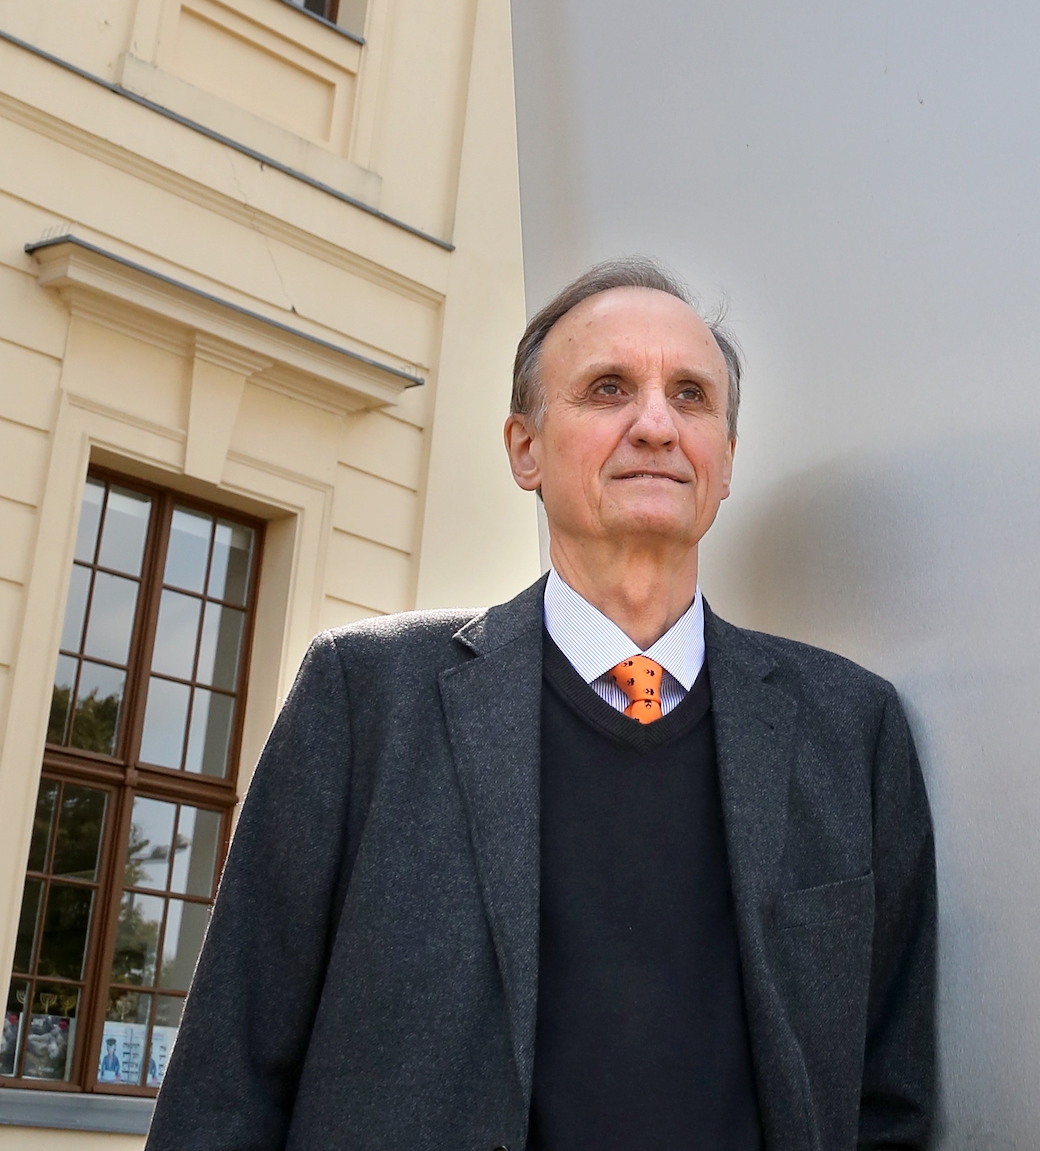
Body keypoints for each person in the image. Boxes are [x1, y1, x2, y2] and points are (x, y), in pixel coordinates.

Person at [147, 258, 937, 1151]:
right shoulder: (364, 700)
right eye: (609, 389)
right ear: (525, 448)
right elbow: (227, 1082)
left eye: (690, 396)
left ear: (725, 463)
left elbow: (890, 1101)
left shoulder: (851, 732)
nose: (655, 425)